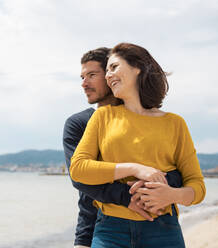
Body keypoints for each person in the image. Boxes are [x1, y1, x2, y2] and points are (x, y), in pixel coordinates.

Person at [70, 43, 206, 248]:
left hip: (163, 230)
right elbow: (78, 169)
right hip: (110, 231)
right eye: (106, 70)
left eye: (113, 67)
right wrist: (136, 169)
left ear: (137, 67)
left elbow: (197, 186)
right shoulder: (102, 116)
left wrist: (171, 195)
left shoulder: (175, 123)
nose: (108, 76)